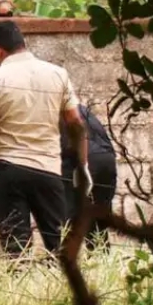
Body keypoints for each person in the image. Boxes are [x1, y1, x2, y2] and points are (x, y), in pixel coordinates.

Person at [0, 20, 91, 258]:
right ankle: (61, 290)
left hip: (9, 171)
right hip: (48, 171)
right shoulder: (58, 74)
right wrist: (83, 166)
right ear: (23, 43)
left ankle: (18, 288)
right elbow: (76, 124)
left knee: (15, 249)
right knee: (57, 247)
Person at [60, 104, 117, 250]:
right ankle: (101, 255)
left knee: (67, 214)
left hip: (81, 159)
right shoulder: (81, 109)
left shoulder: (56, 110)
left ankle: (61, 259)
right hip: (107, 160)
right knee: (99, 214)